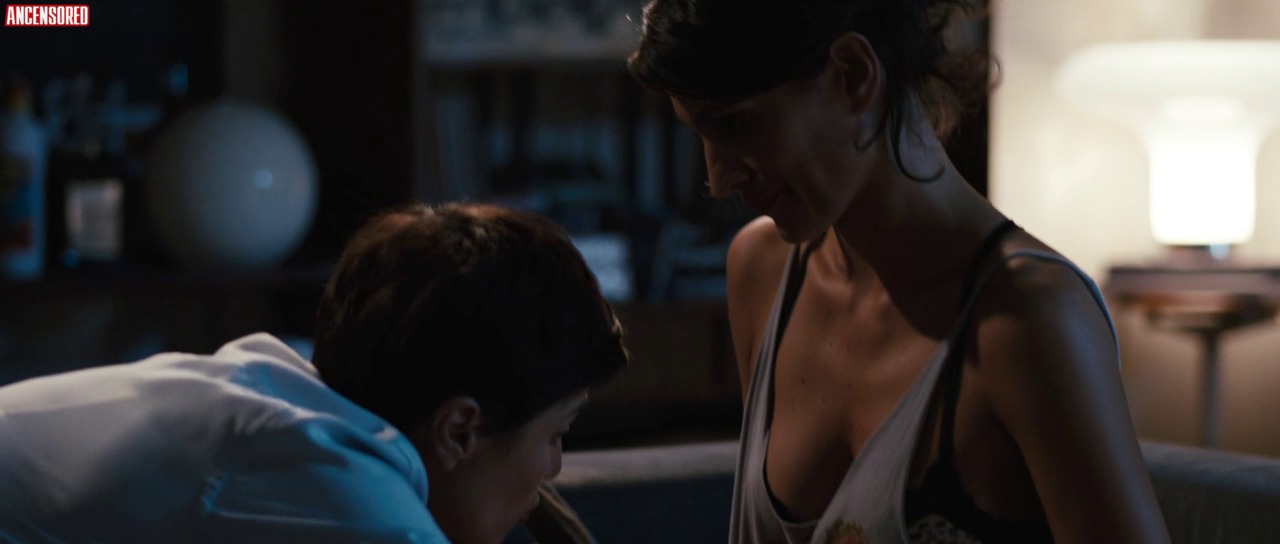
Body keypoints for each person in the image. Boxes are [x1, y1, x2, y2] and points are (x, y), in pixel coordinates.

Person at [629, 1, 1170, 543]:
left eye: (737, 125)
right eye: (699, 134)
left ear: (853, 75)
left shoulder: (1027, 320)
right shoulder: (762, 272)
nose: (718, 178)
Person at [0, 202, 626, 543]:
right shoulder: (347, 500)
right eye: (556, 434)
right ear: (459, 429)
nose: (553, 469)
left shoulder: (285, 414)